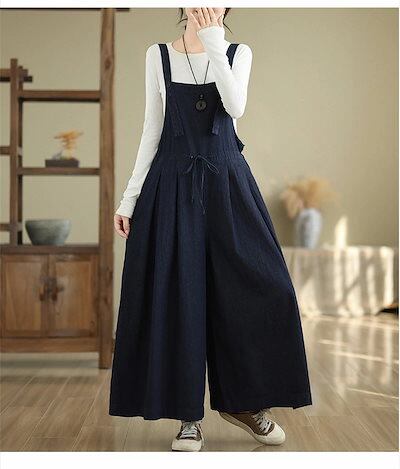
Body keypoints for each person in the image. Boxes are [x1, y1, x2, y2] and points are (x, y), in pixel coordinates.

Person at [109, 7, 313, 452]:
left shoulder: (239, 52)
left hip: (228, 185)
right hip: (170, 184)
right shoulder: (158, 55)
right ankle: (188, 417)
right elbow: (152, 130)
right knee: (180, 297)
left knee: (263, 287)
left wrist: (214, 40)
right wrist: (129, 199)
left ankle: (245, 404)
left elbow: (235, 106)